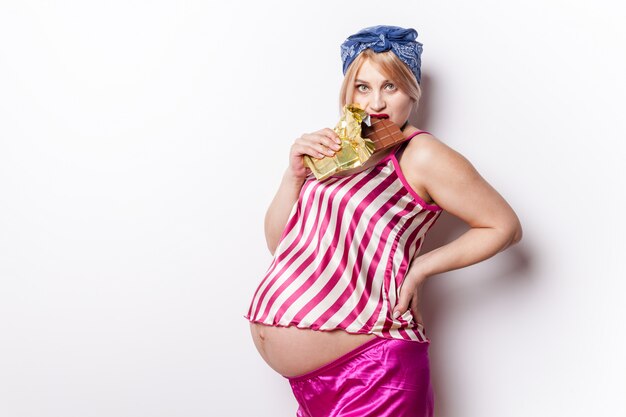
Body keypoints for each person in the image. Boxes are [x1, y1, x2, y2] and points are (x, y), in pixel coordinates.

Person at [244, 25, 523, 417]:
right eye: (362, 87)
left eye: (390, 87)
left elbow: (504, 226)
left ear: (412, 91)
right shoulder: (336, 151)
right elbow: (281, 247)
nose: (375, 103)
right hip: (312, 384)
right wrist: (293, 175)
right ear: (347, 91)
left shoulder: (421, 153)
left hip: (373, 375)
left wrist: (421, 267)